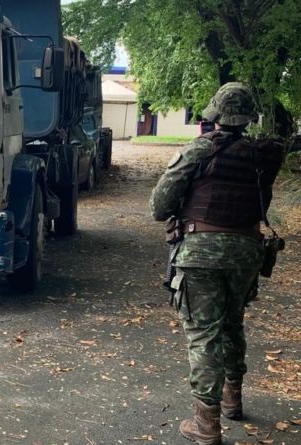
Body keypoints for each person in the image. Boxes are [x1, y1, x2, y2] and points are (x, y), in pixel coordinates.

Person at [150, 82, 285, 445]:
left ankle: (206, 424)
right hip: (246, 253)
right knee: (232, 324)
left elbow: (159, 207)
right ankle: (232, 399)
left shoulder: (200, 150)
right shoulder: (265, 155)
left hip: (200, 255)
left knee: (203, 334)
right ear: (247, 117)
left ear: (215, 113)